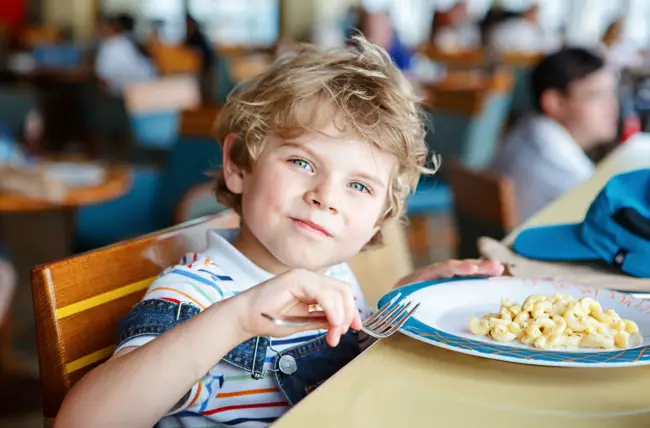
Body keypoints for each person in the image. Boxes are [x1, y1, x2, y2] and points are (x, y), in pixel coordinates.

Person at [55, 35, 504, 428]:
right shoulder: (196, 295)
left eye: (358, 186)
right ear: (238, 165)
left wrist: (396, 306)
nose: (326, 197)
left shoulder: (337, 273)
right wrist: (237, 317)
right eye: (301, 162)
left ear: (377, 223)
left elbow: (343, 371)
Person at [492, 47, 619, 224]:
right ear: (554, 102)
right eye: (595, 95)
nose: (611, 106)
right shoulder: (568, 177)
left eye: (611, 93)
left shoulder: (523, 132)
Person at [94, 15, 157, 95]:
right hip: (143, 85)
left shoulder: (113, 45)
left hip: (132, 89)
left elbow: (104, 78)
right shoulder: (125, 41)